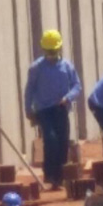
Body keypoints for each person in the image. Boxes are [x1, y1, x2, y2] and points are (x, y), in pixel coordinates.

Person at [24, 30, 81, 190]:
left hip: (61, 108)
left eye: (54, 51)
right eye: (49, 52)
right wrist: (28, 109)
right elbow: (30, 89)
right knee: (51, 140)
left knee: (63, 142)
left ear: (59, 49)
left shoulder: (67, 66)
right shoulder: (36, 68)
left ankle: (60, 177)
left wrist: (68, 97)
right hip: (44, 110)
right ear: (44, 50)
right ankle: (49, 174)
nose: (51, 54)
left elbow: (77, 86)